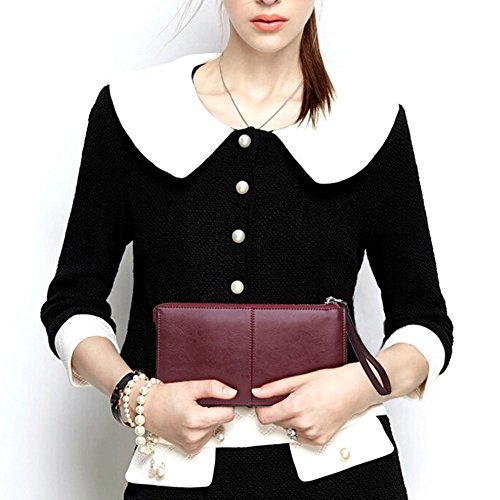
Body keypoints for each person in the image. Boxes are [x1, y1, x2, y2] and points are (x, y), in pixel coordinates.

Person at [40, 1, 454, 498]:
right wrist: (140, 399)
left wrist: (354, 390)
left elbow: (425, 324)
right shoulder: (133, 110)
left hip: (347, 473)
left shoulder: (370, 122)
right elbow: (72, 304)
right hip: (176, 477)